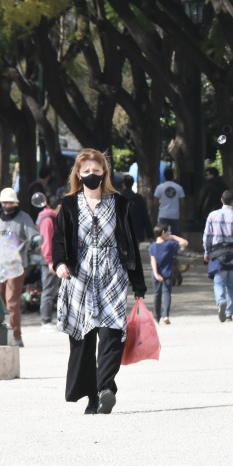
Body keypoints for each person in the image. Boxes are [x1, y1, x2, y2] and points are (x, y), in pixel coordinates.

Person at [51, 148, 147, 415]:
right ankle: (92, 396)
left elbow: (131, 244)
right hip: (78, 277)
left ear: (104, 172)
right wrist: (60, 264)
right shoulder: (69, 204)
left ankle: (104, 388)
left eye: (96, 171)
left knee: (111, 333)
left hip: (111, 274)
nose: (91, 175)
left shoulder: (119, 203)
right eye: (86, 172)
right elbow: (59, 240)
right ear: (78, 175)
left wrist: (137, 283)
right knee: (83, 337)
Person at [0, 187, 40, 347]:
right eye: (5, 202)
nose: (7, 205)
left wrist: (34, 242)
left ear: (15, 203)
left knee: (12, 302)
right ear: (1, 203)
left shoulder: (23, 218)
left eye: (10, 202)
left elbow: (35, 236)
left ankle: (16, 336)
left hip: (16, 267)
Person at [203, 190, 233, 321]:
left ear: (221, 200)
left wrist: (206, 251)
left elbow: (207, 236)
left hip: (217, 251)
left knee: (219, 281)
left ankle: (221, 300)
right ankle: (229, 313)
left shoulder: (212, 215)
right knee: (232, 283)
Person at [149, 224, 188, 325]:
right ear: (163, 233)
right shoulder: (169, 244)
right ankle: (165, 315)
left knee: (157, 295)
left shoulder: (152, 246)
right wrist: (174, 237)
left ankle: (156, 318)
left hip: (156, 273)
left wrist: (156, 273)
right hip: (167, 272)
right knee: (167, 294)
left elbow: (153, 260)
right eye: (166, 232)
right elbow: (185, 243)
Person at [38, 195, 62, 332]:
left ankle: (52, 319)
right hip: (49, 260)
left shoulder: (48, 217)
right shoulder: (48, 219)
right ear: (59, 206)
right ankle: (46, 320)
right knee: (48, 290)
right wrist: (50, 261)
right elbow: (46, 242)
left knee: (53, 289)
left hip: (52, 259)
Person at [121, 175, 153, 243]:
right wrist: (150, 234)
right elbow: (145, 216)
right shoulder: (139, 198)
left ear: (124, 184)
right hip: (136, 230)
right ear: (132, 184)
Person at [153, 167, 185, 235]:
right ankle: (173, 245)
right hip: (175, 214)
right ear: (173, 176)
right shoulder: (179, 187)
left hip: (163, 214)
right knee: (175, 235)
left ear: (164, 176)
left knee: (163, 234)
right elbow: (182, 202)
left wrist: (162, 205)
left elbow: (155, 201)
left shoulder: (159, 187)